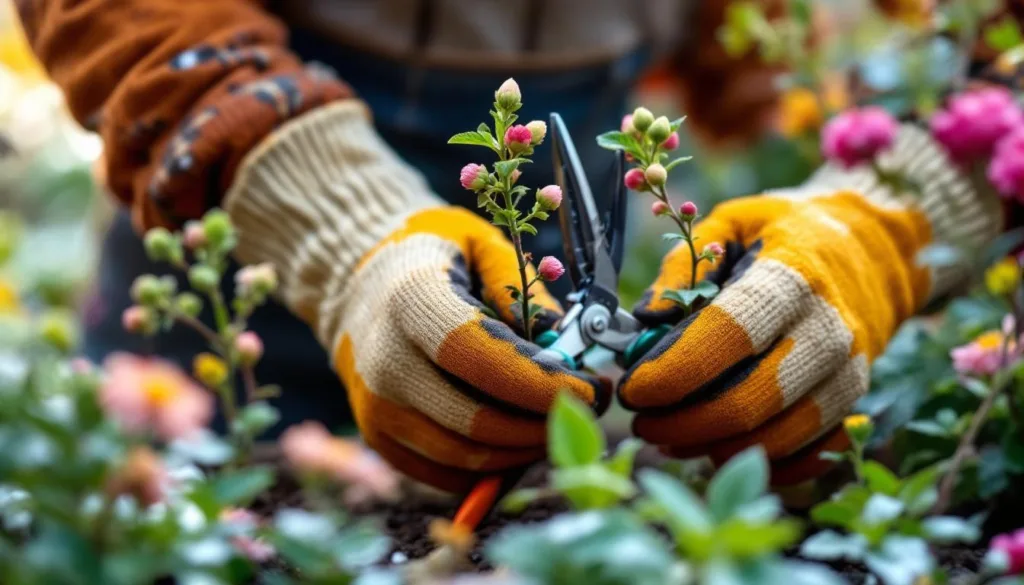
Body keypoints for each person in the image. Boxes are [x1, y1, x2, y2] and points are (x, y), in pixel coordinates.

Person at [12, 0, 1006, 492]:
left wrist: (889, 214)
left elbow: (992, 36)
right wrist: (335, 221)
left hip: (562, 178)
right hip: (222, 255)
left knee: (519, 461)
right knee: (165, 506)